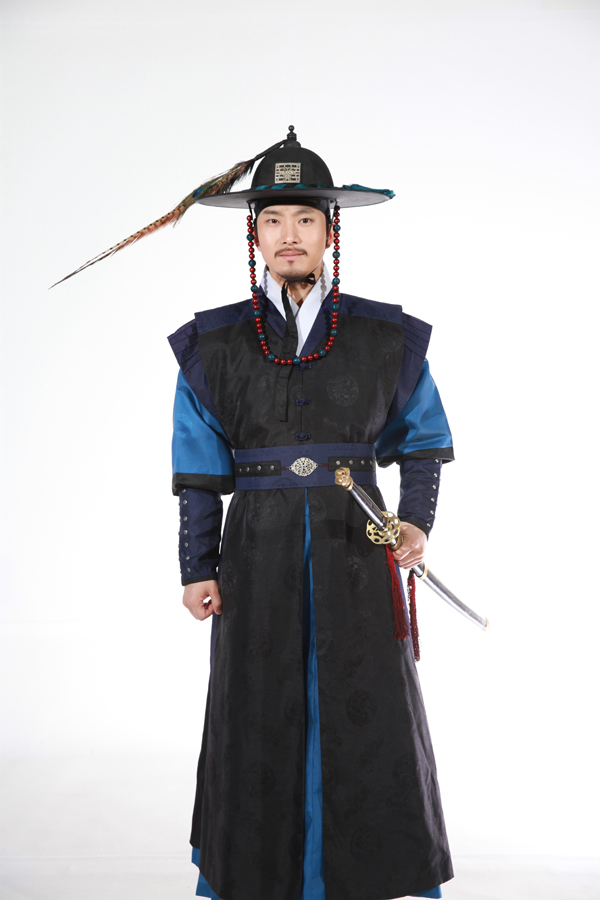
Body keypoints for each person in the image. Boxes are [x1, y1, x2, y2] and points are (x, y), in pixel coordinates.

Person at [167, 128, 456, 900]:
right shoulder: (214, 344)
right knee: (254, 706)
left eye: (304, 219)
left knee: (368, 710)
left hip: (357, 548)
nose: (288, 234)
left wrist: (416, 521)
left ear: (330, 231)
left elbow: (422, 440)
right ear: (254, 233)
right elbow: (198, 471)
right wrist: (197, 567)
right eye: (272, 220)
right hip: (254, 555)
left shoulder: (384, 337)